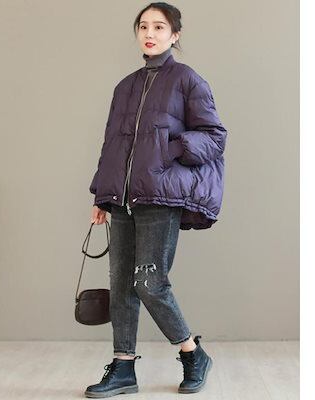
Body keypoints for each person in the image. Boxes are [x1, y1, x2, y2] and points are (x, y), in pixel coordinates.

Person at [85, 2, 227, 397]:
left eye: (159, 27)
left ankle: (193, 353)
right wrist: (101, 194)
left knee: (149, 282)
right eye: (144, 26)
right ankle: (123, 367)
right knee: (121, 285)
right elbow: (111, 145)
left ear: (175, 34)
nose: (150, 33)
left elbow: (214, 136)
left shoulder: (187, 80)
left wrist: (170, 148)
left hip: (160, 197)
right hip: (122, 199)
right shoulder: (125, 87)